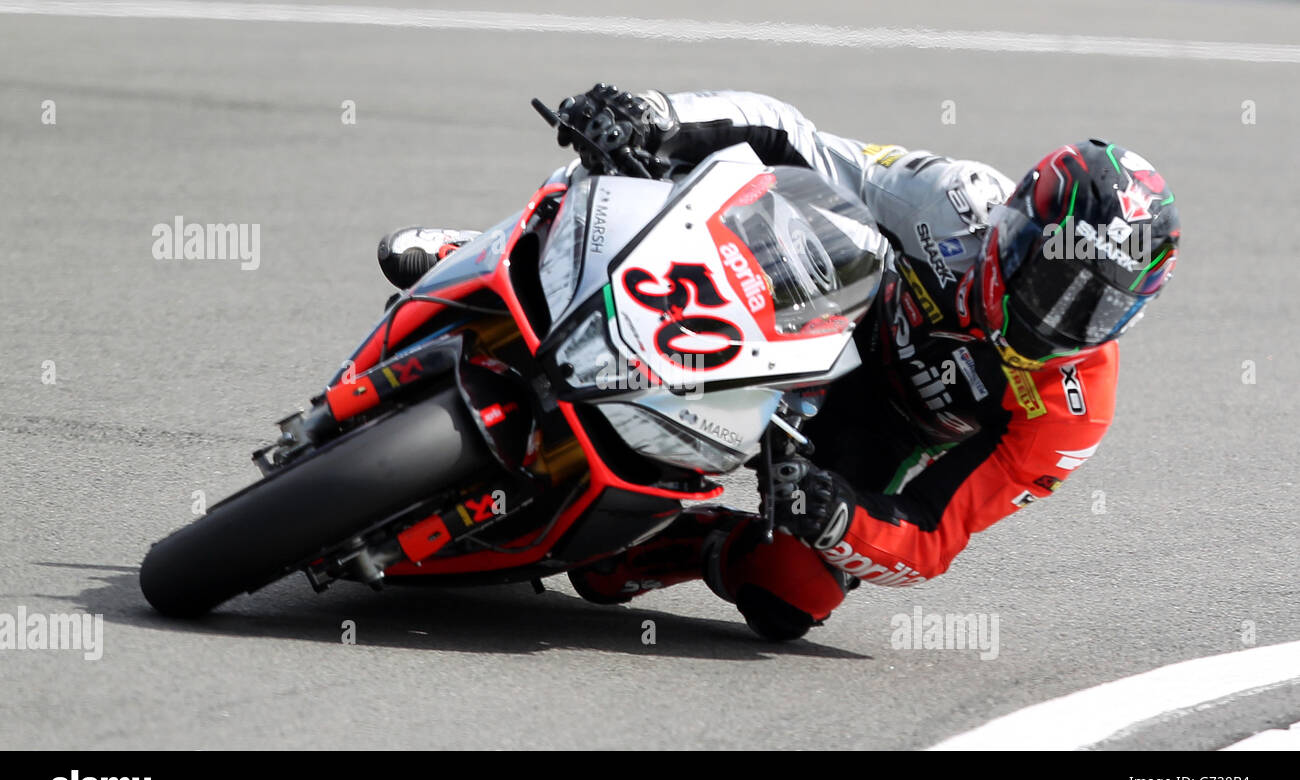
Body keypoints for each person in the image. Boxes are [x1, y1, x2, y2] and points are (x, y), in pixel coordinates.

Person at [378, 84, 1181, 641]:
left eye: (1098, 309)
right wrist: (657, 118)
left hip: (876, 428)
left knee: (792, 594)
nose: (1059, 318)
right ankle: (498, 250)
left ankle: (650, 543)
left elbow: (935, 535)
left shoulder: (1072, 410)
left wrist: (839, 517)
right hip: (822, 300)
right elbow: (789, 137)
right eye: (1054, 281)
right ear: (1018, 225)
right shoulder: (953, 202)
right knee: (652, 160)